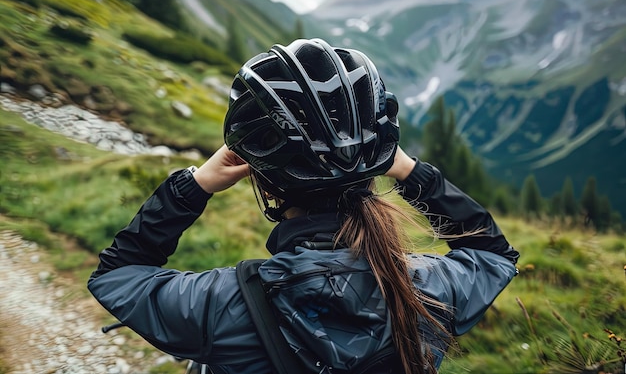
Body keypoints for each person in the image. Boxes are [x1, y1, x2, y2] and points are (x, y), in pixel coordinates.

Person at [88, 38, 519, 374]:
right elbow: (493, 254)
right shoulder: (429, 287)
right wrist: (409, 171)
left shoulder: (219, 305)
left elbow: (118, 275)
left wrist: (195, 185)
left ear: (265, 182)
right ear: (378, 165)